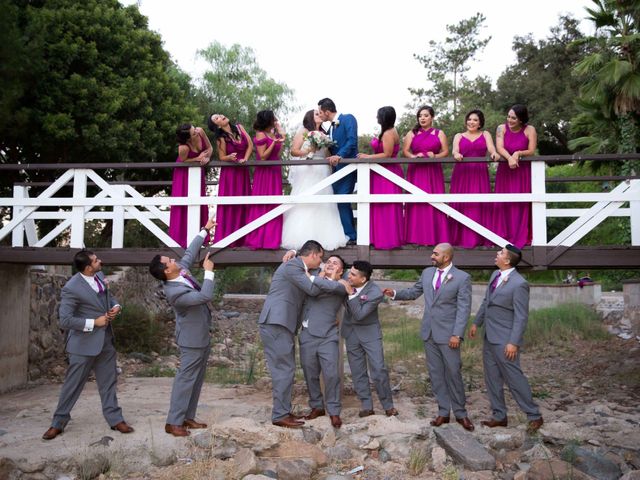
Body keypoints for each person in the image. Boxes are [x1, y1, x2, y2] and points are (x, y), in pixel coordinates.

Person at [259, 240, 351, 428]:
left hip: (289, 325)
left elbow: (350, 278)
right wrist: (339, 285)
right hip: (278, 322)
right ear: (314, 255)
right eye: (322, 259)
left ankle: (283, 412)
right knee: (284, 370)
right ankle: (280, 415)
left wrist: (341, 281)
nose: (323, 263)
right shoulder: (295, 266)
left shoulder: (304, 269)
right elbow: (311, 287)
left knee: (288, 370)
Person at [42, 251, 133, 440]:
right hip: (82, 345)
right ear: (88, 267)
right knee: (72, 385)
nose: (100, 261)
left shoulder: (99, 276)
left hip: (106, 342)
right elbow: (65, 320)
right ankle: (58, 423)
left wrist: (116, 307)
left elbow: (110, 298)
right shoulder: (71, 288)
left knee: (109, 383)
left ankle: (115, 419)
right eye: (96, 260)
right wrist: (94, 323)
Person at [383, 243, 474, 431]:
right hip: (429, 332)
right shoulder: (427, 273)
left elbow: (464, 308)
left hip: (449, 335)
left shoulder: (462, 278)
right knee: (436, 374)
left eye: (435, 254)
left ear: (446, 257)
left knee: (453, 373)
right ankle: (443, 412)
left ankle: (461, 414)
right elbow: (414, 292)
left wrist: (457, 333)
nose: (432, 256)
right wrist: (395, 294)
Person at [149, 217, 217, 437]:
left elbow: (189, 253)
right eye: (170, 261)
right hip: (191, 340)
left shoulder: (181, 271)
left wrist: (204, 230)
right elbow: (205, 295)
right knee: (185, 379)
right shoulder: (175, 293)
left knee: (196, 380)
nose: (175, 261)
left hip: (202, 335)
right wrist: (208, 271)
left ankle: (188, 417)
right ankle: (173, 422)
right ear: (167, 271)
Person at [469, 244, 544, 433]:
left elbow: (521, 316)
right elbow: (487, 302)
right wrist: (476, 323)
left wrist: (513, 342)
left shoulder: (519, 284)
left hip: (506, 340)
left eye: (500, 253)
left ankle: (534, 415)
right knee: (492, 378)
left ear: (508, 260)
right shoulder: (495, 276)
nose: (497, 254)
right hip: (489, 336)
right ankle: (499, 416)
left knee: (514, 378)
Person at [282, 110, 348, 250]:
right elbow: (294, 150)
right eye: (317, 114)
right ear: (310, 117)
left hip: (322, 169)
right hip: (308, 169)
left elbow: (328, 152)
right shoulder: (304, 131)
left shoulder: (325, 133)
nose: (320, 115)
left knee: (323, 200)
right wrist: (308, 151)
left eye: (320, 113)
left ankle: (325, 235)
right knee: (306, 199)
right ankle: (301, 235)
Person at [299, 255, 349, 429]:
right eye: (328, 262)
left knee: (331, 375)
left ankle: (334, 411)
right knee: (310, 374)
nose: (330, 264)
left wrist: (317, 276)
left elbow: (333, 287)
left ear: (341, 270)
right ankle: (317, 407)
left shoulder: (341, 285)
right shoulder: (314, 279)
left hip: (328, 336)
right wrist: (291, 251)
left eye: (335, 263)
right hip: (307, 334)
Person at [342, 260, 398, 417]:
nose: (349, 275)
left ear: (363, 279)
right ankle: (367, 405)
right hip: (351, 333)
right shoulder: (347, 280)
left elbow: (359, 315)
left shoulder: (374, 293)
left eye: (353, 274)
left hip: (370, 334)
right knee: (357, 372)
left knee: (379, 370)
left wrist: (351, 293)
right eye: (349, 272)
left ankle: (388, 405)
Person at [450, 109, 500, 248]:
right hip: (462, 173)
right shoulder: (458, 136)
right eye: (469, 119)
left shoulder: (485, 134)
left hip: (479, 173)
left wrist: (494, 153)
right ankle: (459, 238)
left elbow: (491, 148)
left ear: (480, 123)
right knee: (462, 203)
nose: (471, 122)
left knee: (478, 203)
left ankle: (480, 238)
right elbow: (454, 150)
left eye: (475, 120)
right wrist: (456, 154)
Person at [357, 106, 404, 249]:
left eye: (378, 115)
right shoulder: (388, 131)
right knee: (379, 205)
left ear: (384, 118)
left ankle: (387, 239)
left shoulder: (389, 133)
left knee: (386, 206)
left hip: (386, 172)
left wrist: (367, 156)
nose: (376, 118)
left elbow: (387, 154)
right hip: (380, 173)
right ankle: (378, 237)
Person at [403, 106, 450, 246]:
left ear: (432, 117)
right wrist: (413, 156)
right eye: (420, 116)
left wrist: (435, 155)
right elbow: (405, 151)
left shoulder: (439, 133)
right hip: (416, 171)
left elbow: (446, 152)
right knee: (417, 201)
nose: (422, 118)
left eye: (425, 115)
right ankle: (414, 237)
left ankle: (435, 236)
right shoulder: (412, 133)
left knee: (434, 201)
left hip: (433, 171)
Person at [494, 105, 538, 248]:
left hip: (522, 171)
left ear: (521, 119)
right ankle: (503, 236)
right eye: (508, 116)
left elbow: (531, 150)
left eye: (514, 118)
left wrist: (518, 153)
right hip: (505, 171)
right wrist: (510, 158)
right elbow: (499, 148)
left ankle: (521, 236)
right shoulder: (501, 128)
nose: (510, 120)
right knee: (504, 201)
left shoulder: (530, 130)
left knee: (521, 202)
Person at [207, 113, 253, 247]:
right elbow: (222, 157)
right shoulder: (221, 138)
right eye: (216, 118)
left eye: (219, 115)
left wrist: (245, 158)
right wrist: (230, 158)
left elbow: (250, 145)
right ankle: (229, 240)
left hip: (242, 171)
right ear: (217, 126)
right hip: (230, 174)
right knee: (231, 205)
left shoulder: (240, 127)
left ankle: (244, 239)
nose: (220, 116)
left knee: (244, 203)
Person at [317, 98, 358, 244]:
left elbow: (352, 141)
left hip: (348, 167)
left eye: (320, 112)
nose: (320, 115)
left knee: (342, 199)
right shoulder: (330, 128)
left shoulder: (348, 119)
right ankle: (345, 234)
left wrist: (340, 155)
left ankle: (351, 236)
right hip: (335, 171)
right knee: (338, 201)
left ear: (327, 111)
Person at [244, 110, 285, 249]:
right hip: (264, 172)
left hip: (275, 171)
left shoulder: (273, 133)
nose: (276, 120)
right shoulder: (260, 133)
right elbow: (262, 156)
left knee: (274, 203)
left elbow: (278, 154)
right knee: (263, 202)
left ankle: (272, 239)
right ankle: (259, 238)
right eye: (273, 119)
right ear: (268, 121)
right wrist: (273, 142)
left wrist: (280, 138)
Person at [169, 123, 212, 248]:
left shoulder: (201, 132)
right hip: (183, 176)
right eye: (194, 133)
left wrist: (207, 158)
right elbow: (183, 161)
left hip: (198, 174)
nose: (197, 132)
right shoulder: (183, 148)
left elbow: (210, 148)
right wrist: (197, 158)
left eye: (195, 129)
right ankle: (180, 240)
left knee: (200, 201)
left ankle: (202, 237)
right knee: (183, 204)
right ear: (188, 138)